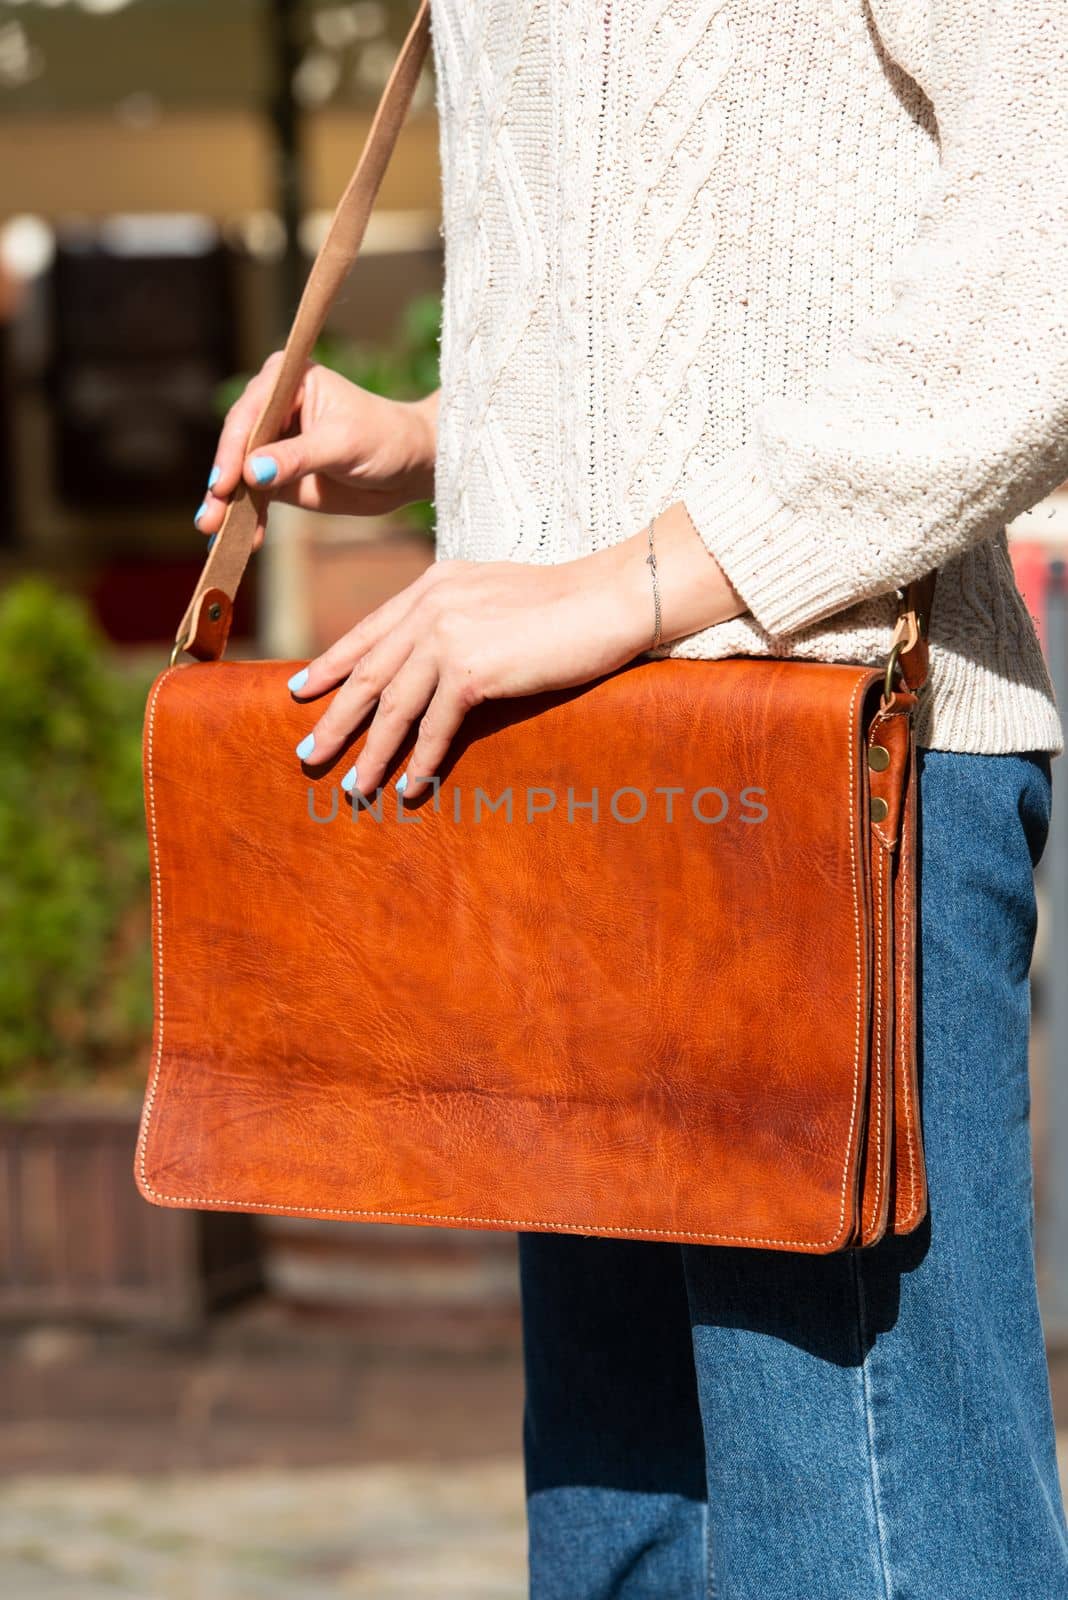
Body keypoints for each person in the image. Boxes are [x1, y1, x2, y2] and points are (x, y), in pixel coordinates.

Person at [197, 1, 1068, 1593]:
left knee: (875, 1545)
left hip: (830, 771)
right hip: (566, 789)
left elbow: (1046, 245)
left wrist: (625, 585)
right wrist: (439, 434)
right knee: (626, 1543)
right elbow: (708, 267)